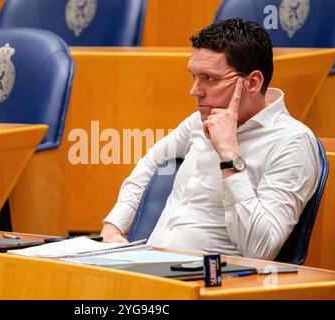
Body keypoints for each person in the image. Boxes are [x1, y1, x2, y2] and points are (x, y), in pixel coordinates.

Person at [100, 18, 320, 261]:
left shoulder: (293, 142)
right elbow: (152, 160)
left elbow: (261, 250)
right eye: (194, 76)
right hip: (149, 266)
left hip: (215, 283)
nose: (195, 90)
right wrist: (114, 225)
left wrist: (229, 156)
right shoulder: (199, 120)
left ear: (253, 83)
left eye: (210, 78)